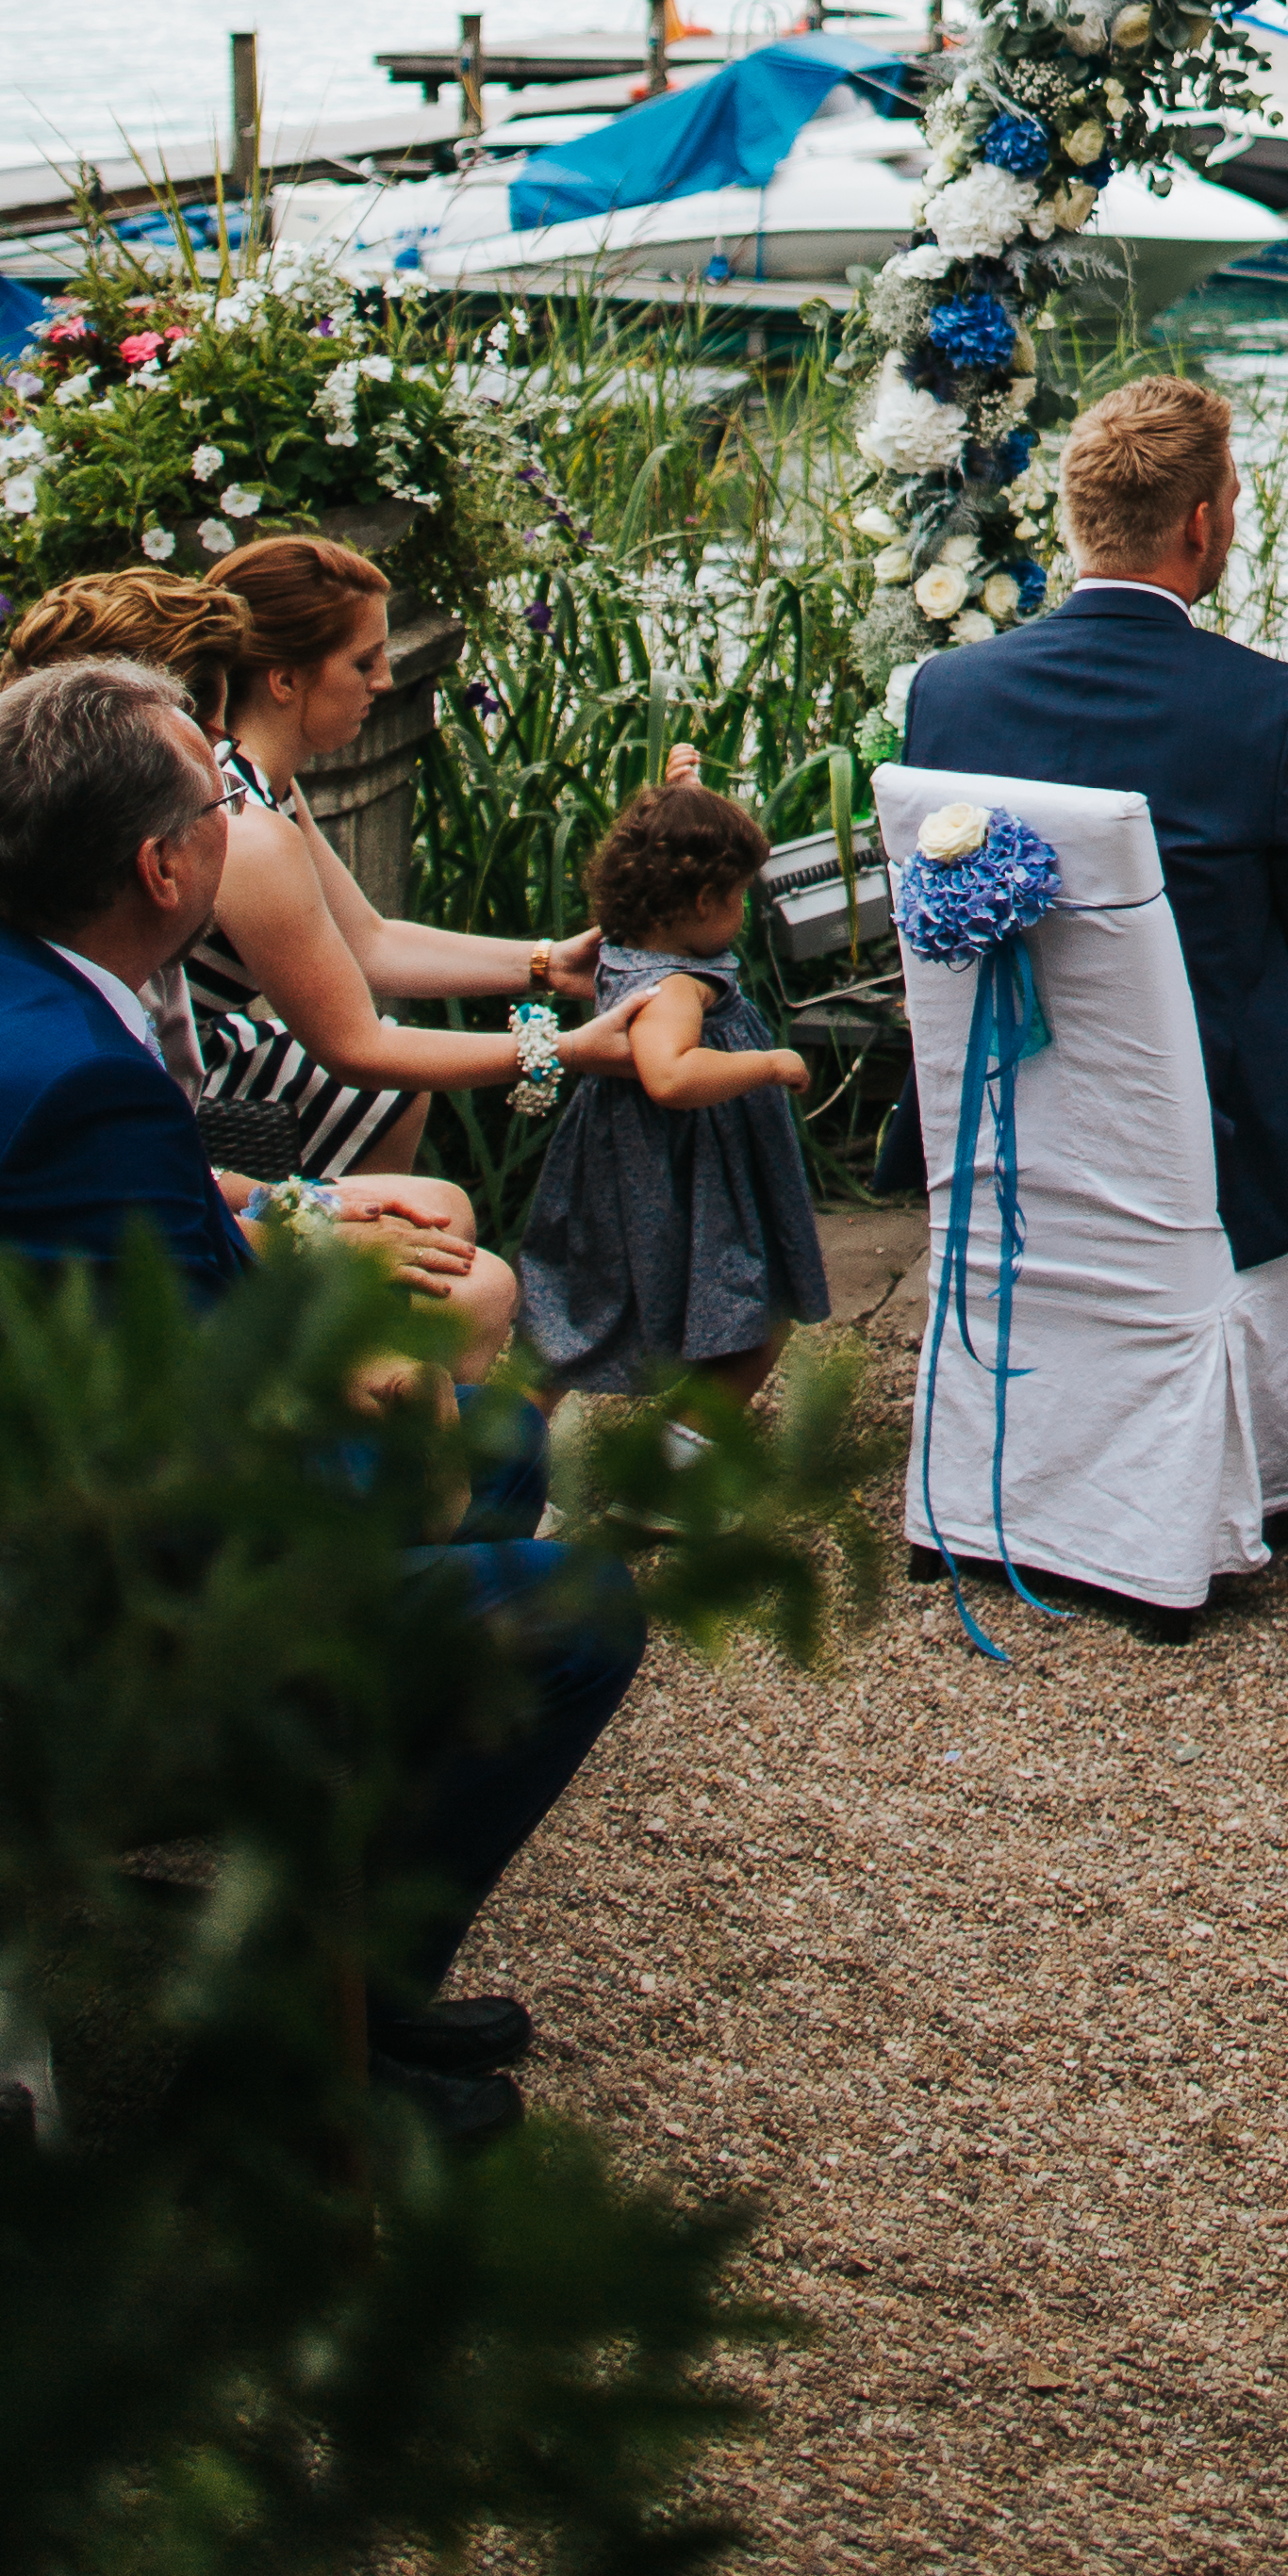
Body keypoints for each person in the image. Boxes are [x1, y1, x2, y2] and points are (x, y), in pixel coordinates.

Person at [0, 650, 646, 2141]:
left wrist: (287, 1247)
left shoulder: (51, 1003)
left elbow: (114, 1267)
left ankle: (344, 1966)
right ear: (165, 867)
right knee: (574, 1602)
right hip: (90, 1614)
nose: (236, 818)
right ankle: (293, 2075)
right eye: (211, 805)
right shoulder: (83, 1077)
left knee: (489, 1449)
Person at [897, 373, 1288, 1270]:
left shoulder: (948, 693)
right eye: (1230, 498)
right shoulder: (1266, 705)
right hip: (1209, 1136)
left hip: (1008, 1102)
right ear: (1200, 524)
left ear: (1081, 520)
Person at [0, 569, 522, 1370]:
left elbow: (371, 941)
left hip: (179, 1172)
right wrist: (315, 1238)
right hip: (150, 1268)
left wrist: (550, 964)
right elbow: (139, 1240)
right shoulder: (196, 852)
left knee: (434, 1208)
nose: (225, 762)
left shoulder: (73, 896)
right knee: (470, 1283)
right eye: (208, 724)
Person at [122, 535, 635, 1173]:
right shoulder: (243, 828)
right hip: (157, 1086)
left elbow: (369, 943)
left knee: (393, 1094)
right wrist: (565, 1048)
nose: (386, 680)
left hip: (194, 1051)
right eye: (364, 663)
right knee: (384, 1085)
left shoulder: (257, 781)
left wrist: (549, 964)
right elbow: (355, 1049)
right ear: (284, 681)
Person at [517, 773, 831, 1403]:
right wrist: (769, 1065)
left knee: (586, 1317)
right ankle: (680, 1470)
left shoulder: (626, 947)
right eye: (740, 896)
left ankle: (516, 1454)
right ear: (704, 900)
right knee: (755, 1318)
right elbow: (669, 1075)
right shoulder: (678, 985)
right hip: (683, 1174)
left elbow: (664, 852)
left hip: (636, 1160)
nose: (744, 913)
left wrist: (681, 789)